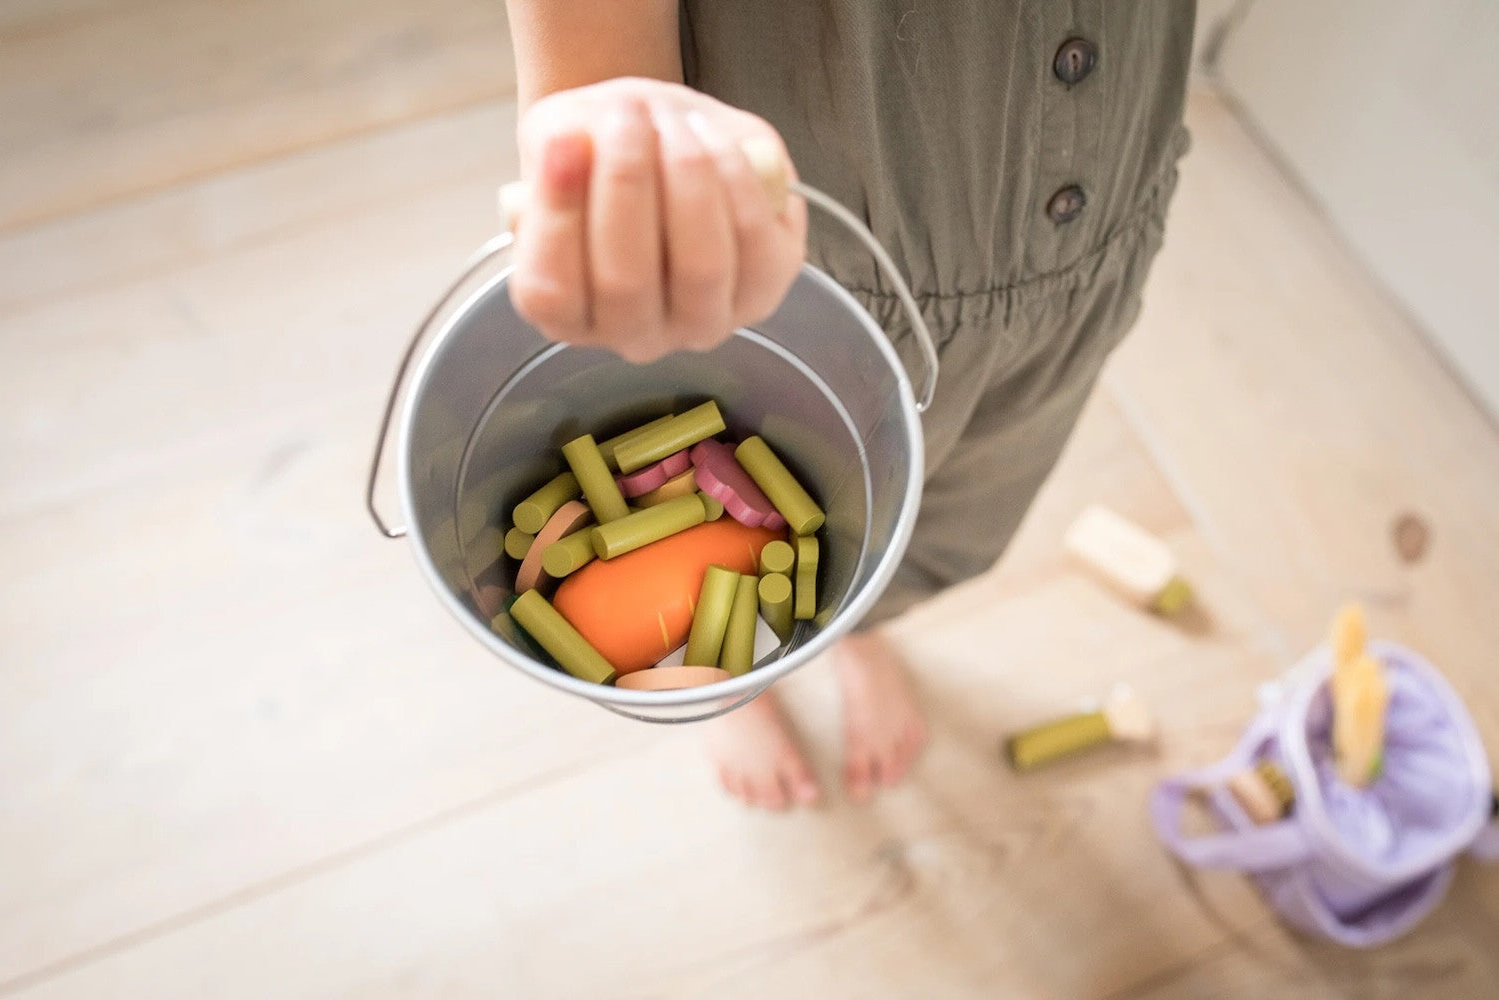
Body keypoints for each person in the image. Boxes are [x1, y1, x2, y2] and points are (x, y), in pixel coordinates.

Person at [504, 1, 1197, 809]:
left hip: (1094, 214)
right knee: (806, 487)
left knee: (954, 505)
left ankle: (857, 628)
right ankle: (727, 673)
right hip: (815, 246)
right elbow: (600, 110)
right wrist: (603, 93)